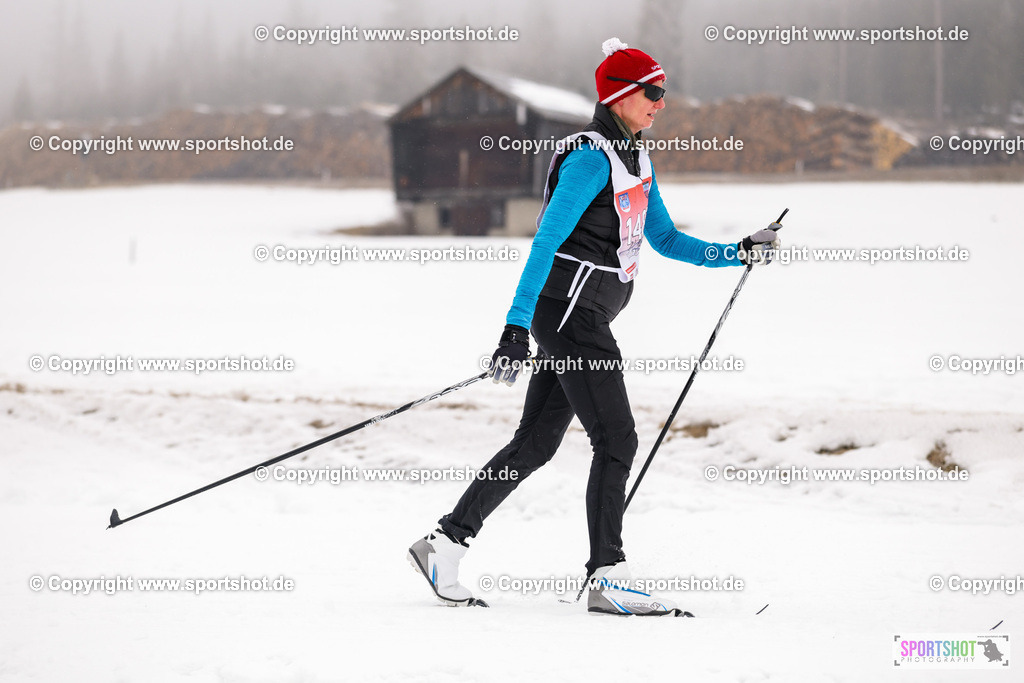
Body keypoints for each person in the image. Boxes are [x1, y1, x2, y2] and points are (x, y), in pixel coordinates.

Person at [408, 38, 780, 615]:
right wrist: (515, 328)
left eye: (664, 92)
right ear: (621, 96)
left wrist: (736, 251)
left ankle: (445, 545)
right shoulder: (589, 158)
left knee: (535, 442)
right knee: (617, 438)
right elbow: (545, 242)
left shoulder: (637, 160)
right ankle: (609, 574)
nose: (662, 103)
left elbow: (665, 240)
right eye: (653, 93)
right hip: (571, 317)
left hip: (584, 317)